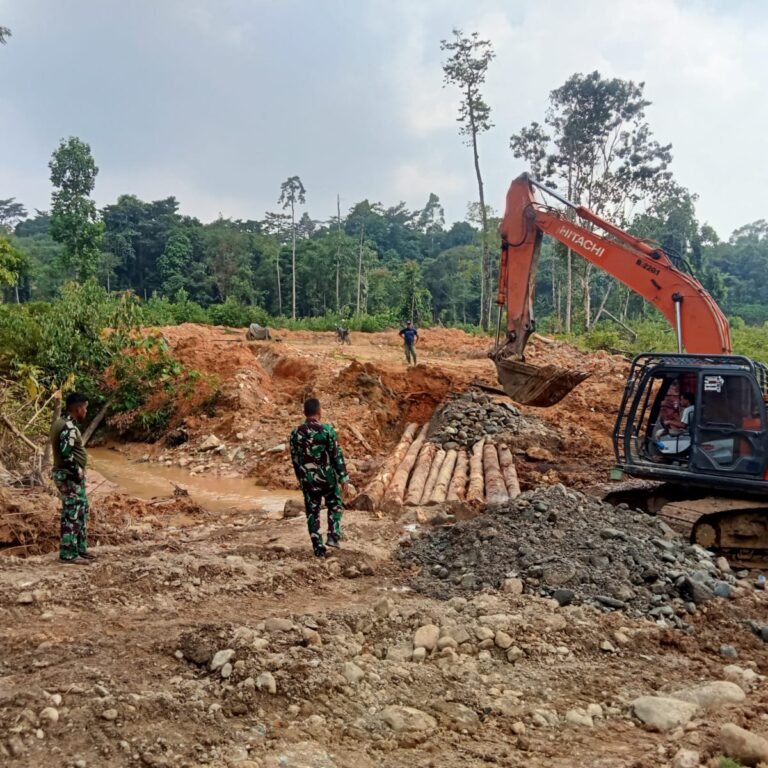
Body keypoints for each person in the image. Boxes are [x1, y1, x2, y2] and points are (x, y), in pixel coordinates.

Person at [289, 398, 350, 558]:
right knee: (335, 504)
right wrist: (343, 477)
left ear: (304, 413)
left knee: (312, 512)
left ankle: (318, 549)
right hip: (327, 479)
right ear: (319, 412)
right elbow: (336, 455)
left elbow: (295, 459)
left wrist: (301, 479)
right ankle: (333, 535)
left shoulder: (296, 433)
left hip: (308, 480)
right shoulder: (327, 430)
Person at [51, 392, 92, 564]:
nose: (86, 411)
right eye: (85, 408)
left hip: (69, 475)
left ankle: (80, 549)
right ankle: (68, 554)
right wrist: (76, 471)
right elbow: (65, 453)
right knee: (72, 513)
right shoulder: (68, 427)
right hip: (69, 475)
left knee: (81, 509)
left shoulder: (62, 423)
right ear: (78, 408)